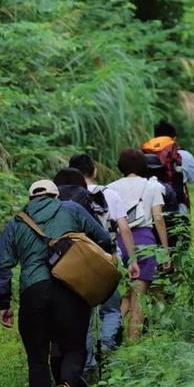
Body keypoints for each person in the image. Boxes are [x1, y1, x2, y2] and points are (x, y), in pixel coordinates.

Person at [0, 178, 112, 387]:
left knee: (37, 358)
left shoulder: (17, 222)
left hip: (33, 293)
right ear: (56, 196)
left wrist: (4, 303)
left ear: (31, 199)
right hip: (71, 289)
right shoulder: (72, 209)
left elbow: (0, 268)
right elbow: (104, 239)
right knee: (73, 348)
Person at [67, 153, 140, 375]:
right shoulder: (110, 194)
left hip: (77, 261)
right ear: (94, 171)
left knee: (85, 315)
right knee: (111, 309)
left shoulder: (67, 197)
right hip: (108, 259)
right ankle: (107, 345)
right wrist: (132, 260)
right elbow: (124, 229)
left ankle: (87, 365)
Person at [107, 149, 171, 340]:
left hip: (117, 243)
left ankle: (109, 339)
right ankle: (133, 345)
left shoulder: (110, 188)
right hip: (144, 242)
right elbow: (158, 219)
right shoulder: (152, 187)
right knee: (139, 297)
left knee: (124, 295)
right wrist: (166, 251)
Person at [151, 119, 194, 244]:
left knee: (157, 250)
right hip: (177, 210)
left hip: (151, 211)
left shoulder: (147, 157)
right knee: (179, 248)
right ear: (174, 139)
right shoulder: (183, 155)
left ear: (155, 138)